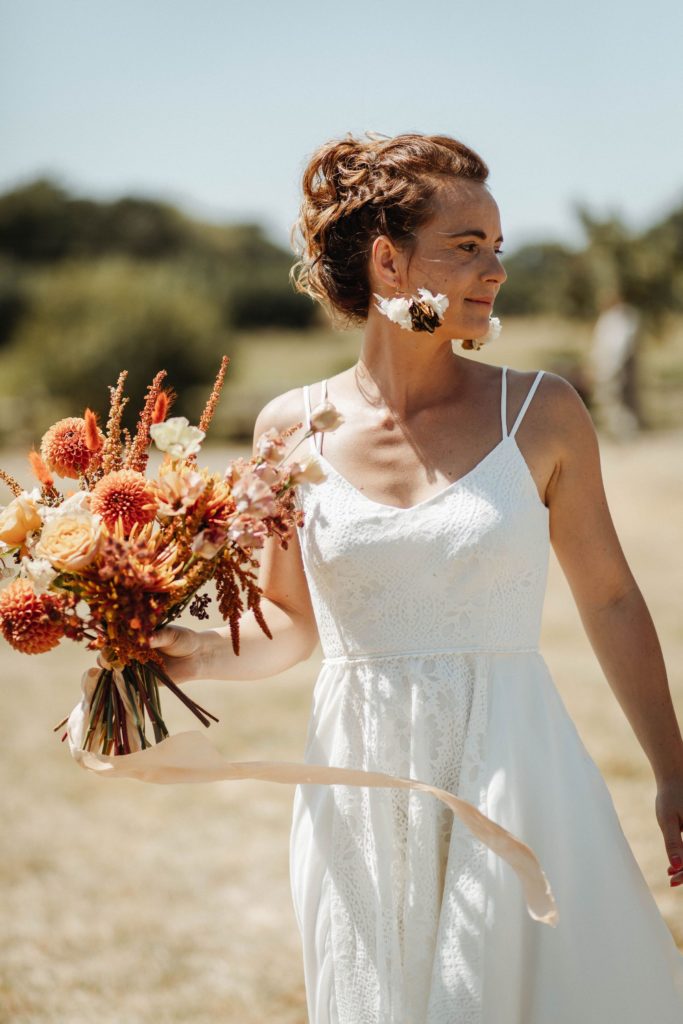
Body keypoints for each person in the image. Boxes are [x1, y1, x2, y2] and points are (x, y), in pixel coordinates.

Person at [149, 132, 683, 1023]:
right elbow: (288, 623)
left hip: (517, 766)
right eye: (466, 248)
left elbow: (610, 597)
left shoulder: (541, 411)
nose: (494, 271)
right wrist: (184, 653)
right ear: (389, 263)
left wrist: (671, 773)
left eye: (497, 248)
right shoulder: (292, 427)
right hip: (359, 787)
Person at [590, 288, 644, 439]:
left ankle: (624, 432)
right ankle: (616, 431)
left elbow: (617, 348)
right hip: (607, 367)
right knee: (609, 400)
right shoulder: (608, 319)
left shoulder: (622, 319)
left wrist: (610, 368)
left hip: (614, 368)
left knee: (619, 400)